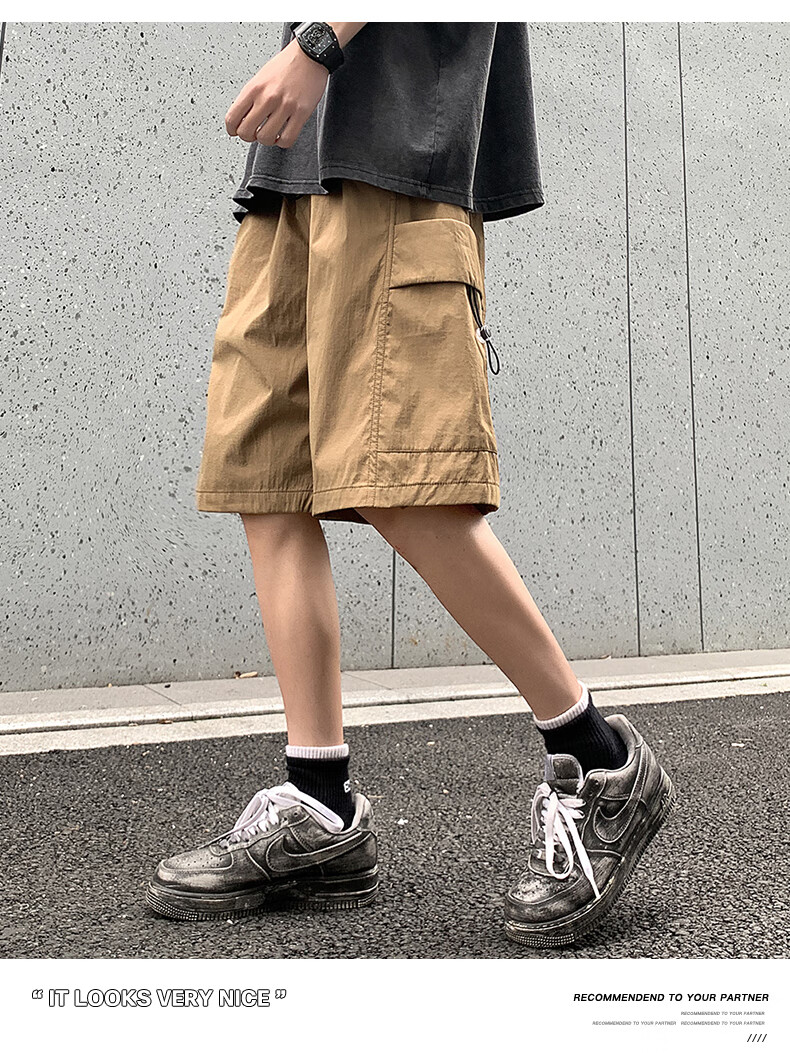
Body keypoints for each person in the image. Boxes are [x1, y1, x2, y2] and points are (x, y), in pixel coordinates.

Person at [146, 22, 675, 948]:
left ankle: (600, 762)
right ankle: (320, 803)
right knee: (266, 482)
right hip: (287, 179)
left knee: (407, 481)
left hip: (396, 158)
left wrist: (318, 44)